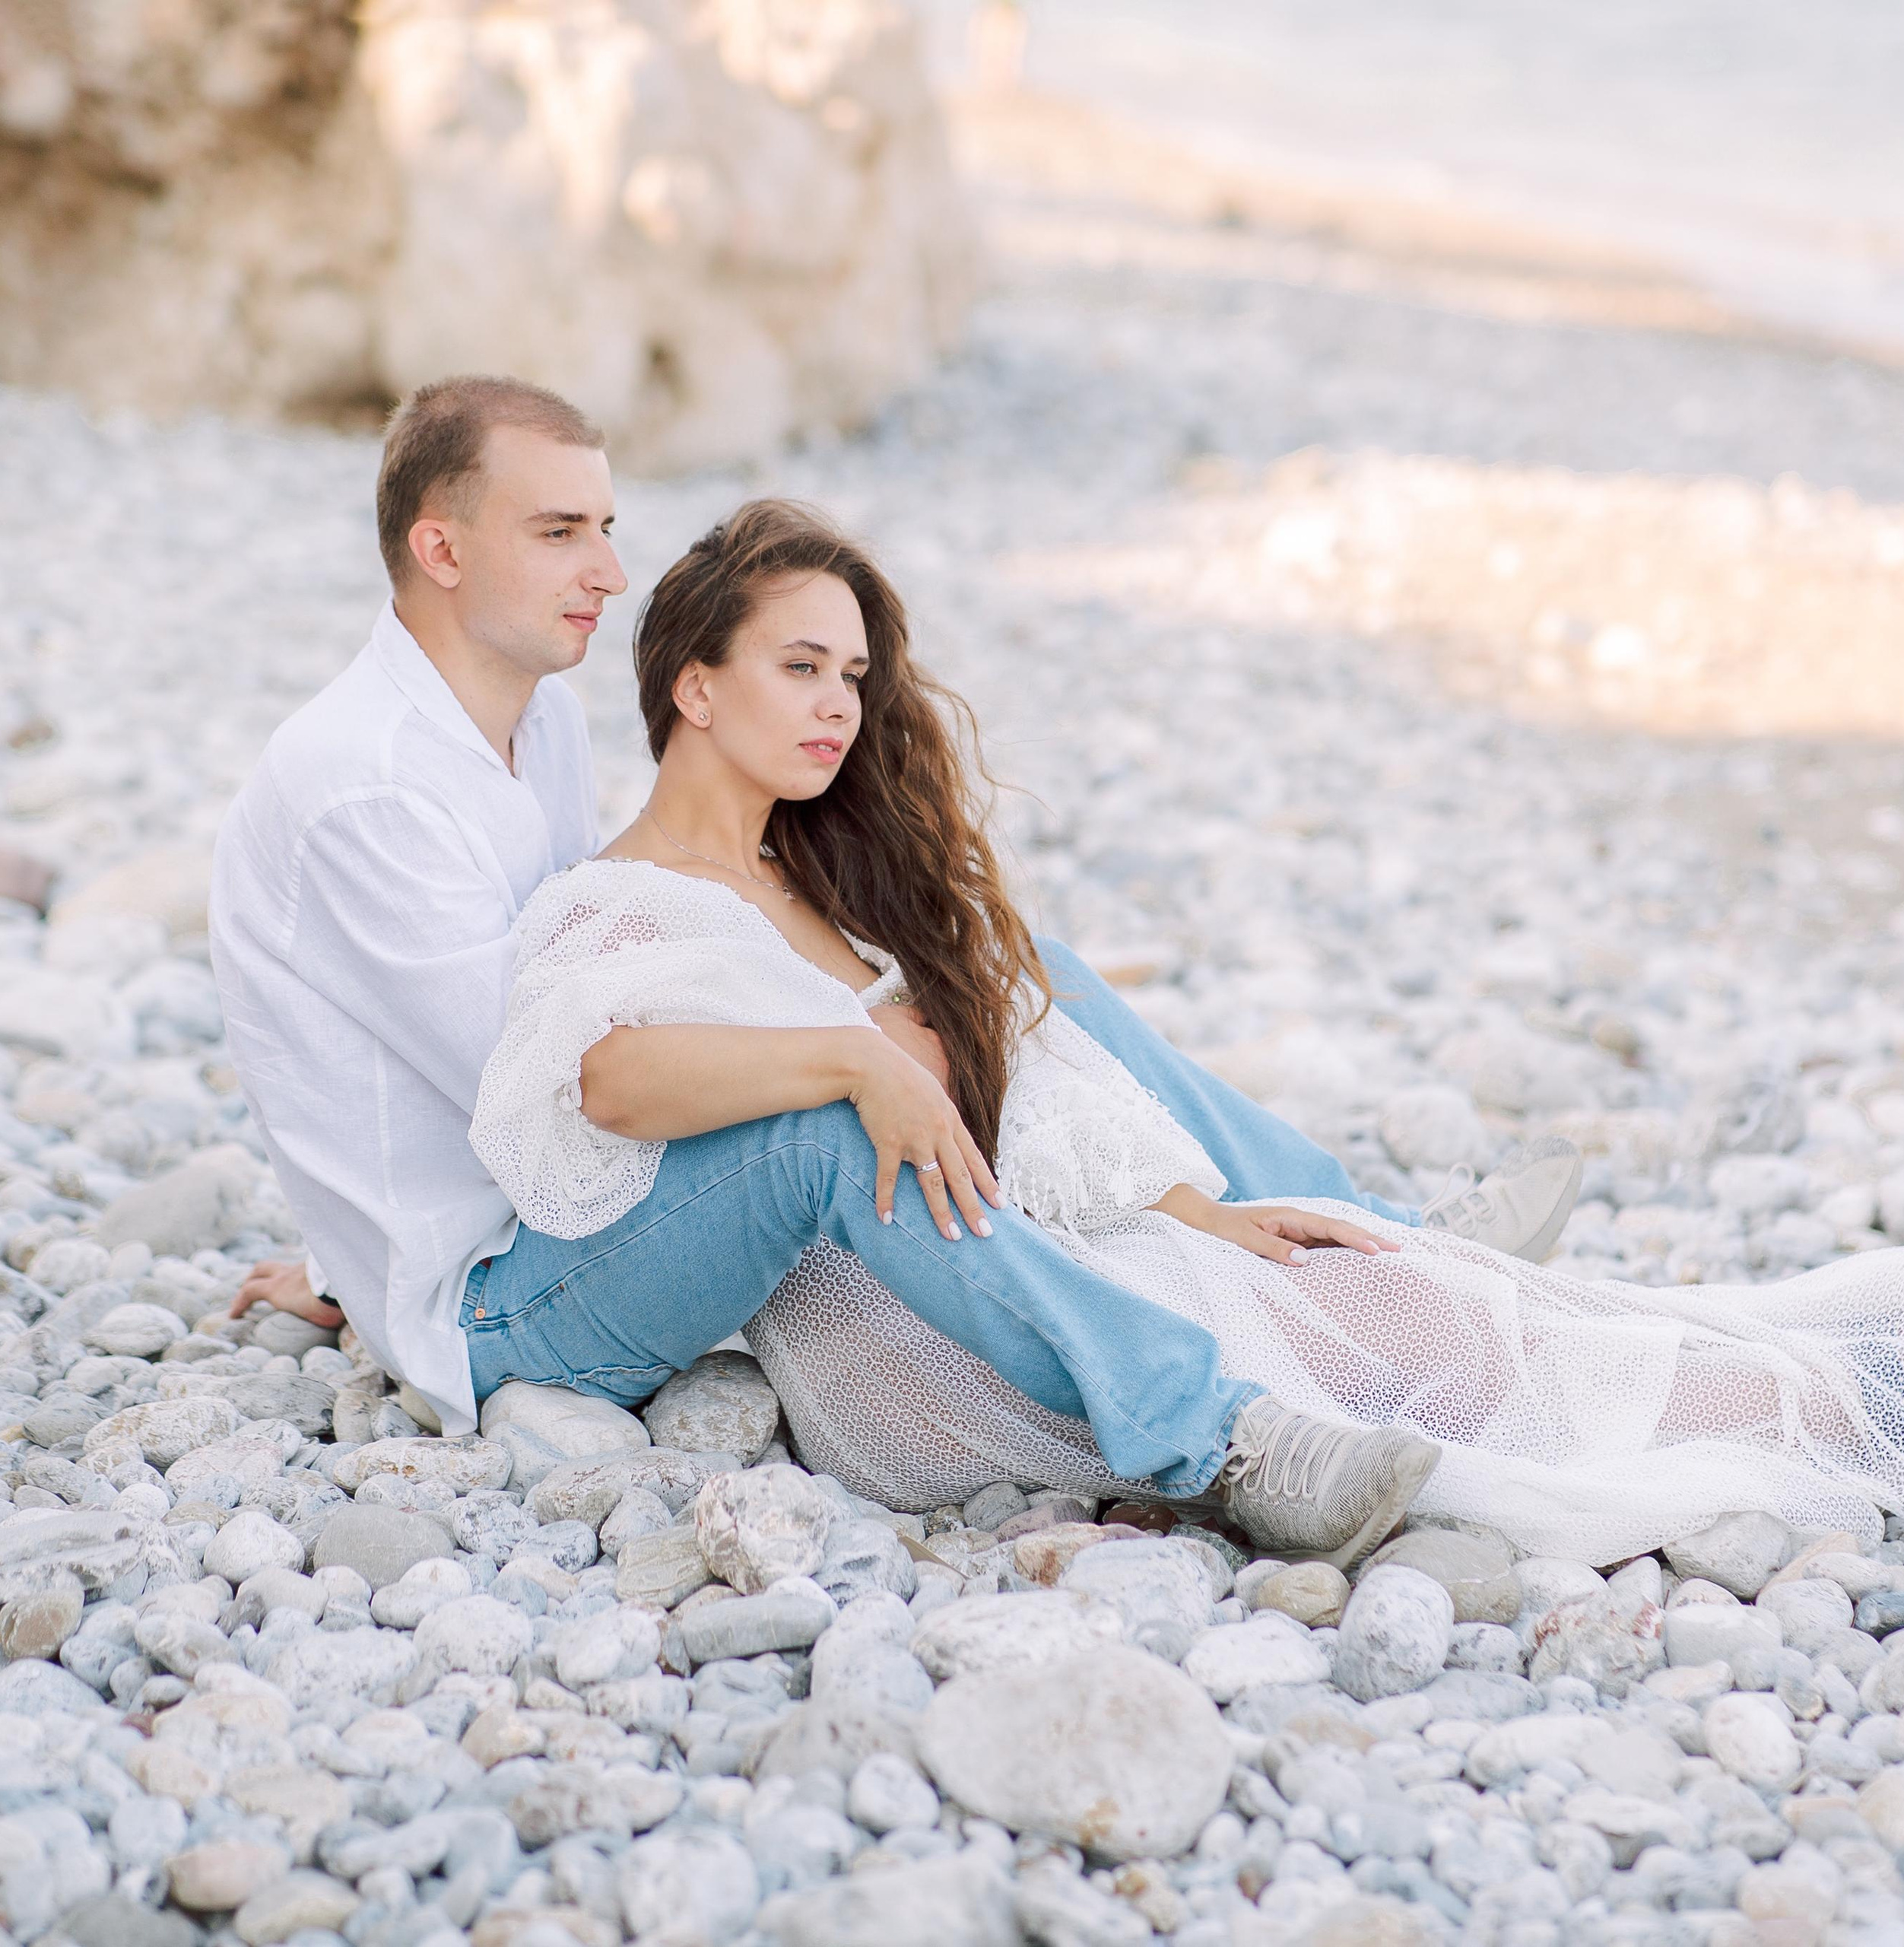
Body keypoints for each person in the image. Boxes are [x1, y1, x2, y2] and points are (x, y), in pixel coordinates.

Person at [211, 374, 1579, 1570]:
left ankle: (1365, 1228)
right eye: (560, 531)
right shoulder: (370, 789)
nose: (609, 571)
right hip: (517, 1296)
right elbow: (550, 1088)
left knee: (1005, 967)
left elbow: (605, 966)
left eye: (608, 529)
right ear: (439, 548)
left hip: (574, 1216)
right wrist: (856, 1043)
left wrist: (900, 998)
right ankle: (1220, 1445)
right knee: (829, 1119)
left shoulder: (540, 730)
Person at [468, 495, 1904, 1569]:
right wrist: (854, 1057)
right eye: (801, 668)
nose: (843, 705)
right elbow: (613, 1081)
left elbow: (1017, 1099)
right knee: (1327, 1331)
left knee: (1379, 1293)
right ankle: (1231, 1441)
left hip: (994, 1262)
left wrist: (1195, 1211)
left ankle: (1811, 1402)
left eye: (854, 675)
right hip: (883, 1333)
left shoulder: (827, 898)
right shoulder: (629, 900)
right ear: (693, 687)